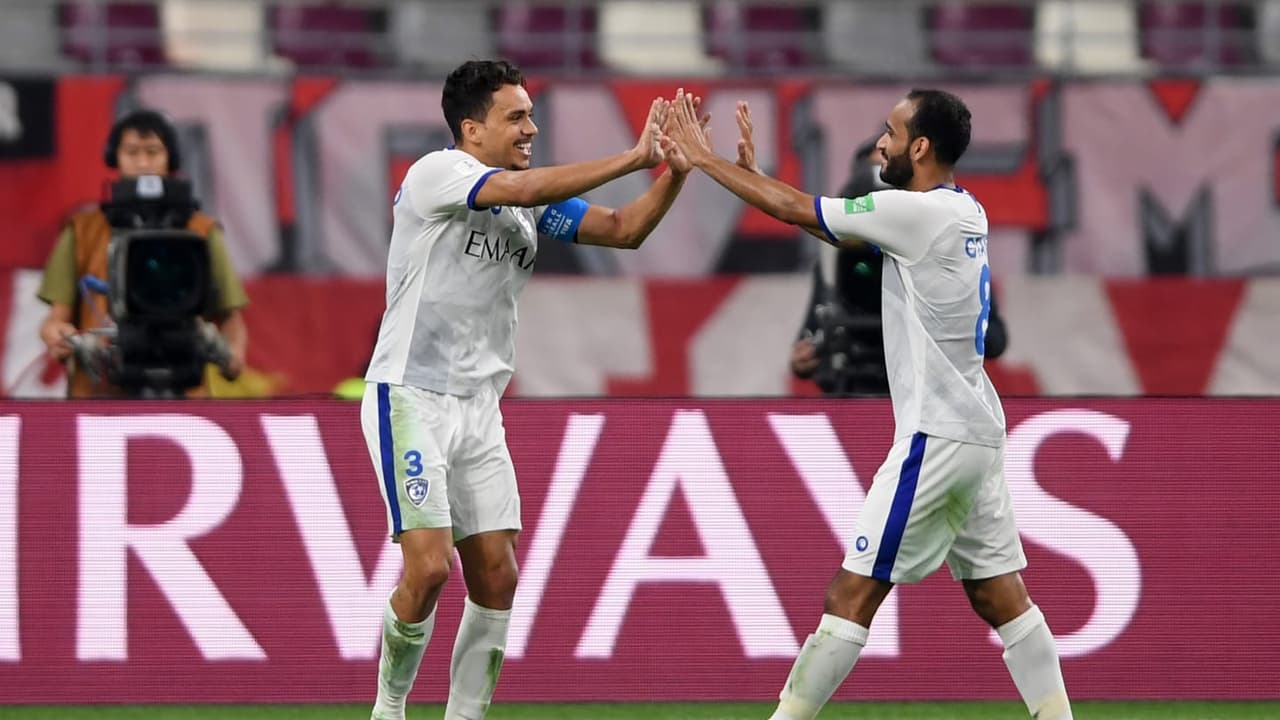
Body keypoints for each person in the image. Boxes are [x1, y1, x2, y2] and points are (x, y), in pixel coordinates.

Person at [663, 89, 1072, 719]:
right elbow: (815, 219)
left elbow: (803, 210)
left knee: (851, 593)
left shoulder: (918, 215)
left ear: (921, 147)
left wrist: (706, 161)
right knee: (1000, 596)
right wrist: (751, 177)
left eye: (890, 131)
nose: (879, 143)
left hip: (936, 435)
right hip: (975, 429)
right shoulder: (960, 211)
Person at [359, 60, 700, 720]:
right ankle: (388, 707)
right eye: (515, 117)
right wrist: (634, 154)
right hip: (411, 397)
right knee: (428, 571)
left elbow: (623, 230)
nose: (531, 128)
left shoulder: (527, 201)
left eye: (531, 115)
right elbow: (526, 188)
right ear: (470, 128)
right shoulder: (438, 175)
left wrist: (674, 173)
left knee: (497, 576)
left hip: (480, 409)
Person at [35, 109, 248, 397]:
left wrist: (231, 355)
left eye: (153, 152)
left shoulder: (202, 232)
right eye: (132, 152)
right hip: (101, 394)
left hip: (184, 390)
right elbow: (55, 318)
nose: (143, 163)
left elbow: (230, 315)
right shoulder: (82, 231)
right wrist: (60, 336)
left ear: (170, 158)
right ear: (115, 158)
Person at [791, 139, 1008, 396]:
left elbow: (995, 339)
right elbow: (813, 335)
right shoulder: (834, 258)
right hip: (853, 394)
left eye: (889, 171)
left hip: (928, 397)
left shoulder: (950, 247)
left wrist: (952, 325)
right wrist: (805, 357)